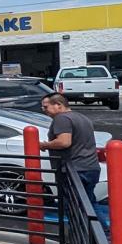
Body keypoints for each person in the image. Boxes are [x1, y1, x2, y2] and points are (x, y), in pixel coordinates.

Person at [39, 93, 108, 223]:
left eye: (46, 107)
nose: (44, 110)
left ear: (58, 105)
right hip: (90, 167)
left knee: (73, 205)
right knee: (88, 202)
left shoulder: (62, 119)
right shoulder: (82, 118)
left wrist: (45, 145)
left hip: (73, 169)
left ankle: (95, 235)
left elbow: (64, 142)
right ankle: (99, 235)